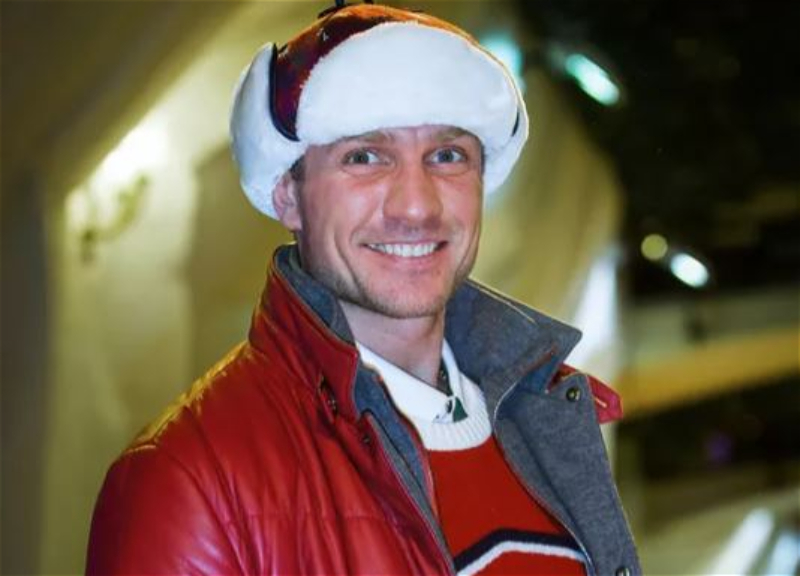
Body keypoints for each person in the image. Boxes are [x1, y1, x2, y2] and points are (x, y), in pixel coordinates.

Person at [86, 2, 640, 575]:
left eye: (447, 156)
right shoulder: (188, 483)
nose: (416, 207)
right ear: (288, 195)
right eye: (365, 157)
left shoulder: (542, 420)